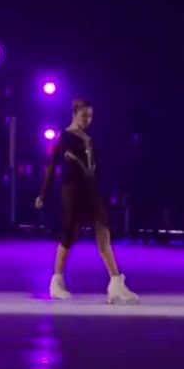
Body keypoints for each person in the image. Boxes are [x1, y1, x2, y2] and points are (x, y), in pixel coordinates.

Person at [35, 99, 139, 304]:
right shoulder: (64, 137)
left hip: (92, 189)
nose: (88, 120)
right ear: (74, 114)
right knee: (70, 233)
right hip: (71, 189)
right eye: (84, 116)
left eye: (90, 116)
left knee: (103, 228)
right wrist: (42, 194)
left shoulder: (89, 138)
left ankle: (115, 283)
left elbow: (98, 168)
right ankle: (56, 281)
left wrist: (107, 189)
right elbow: (51, 168)